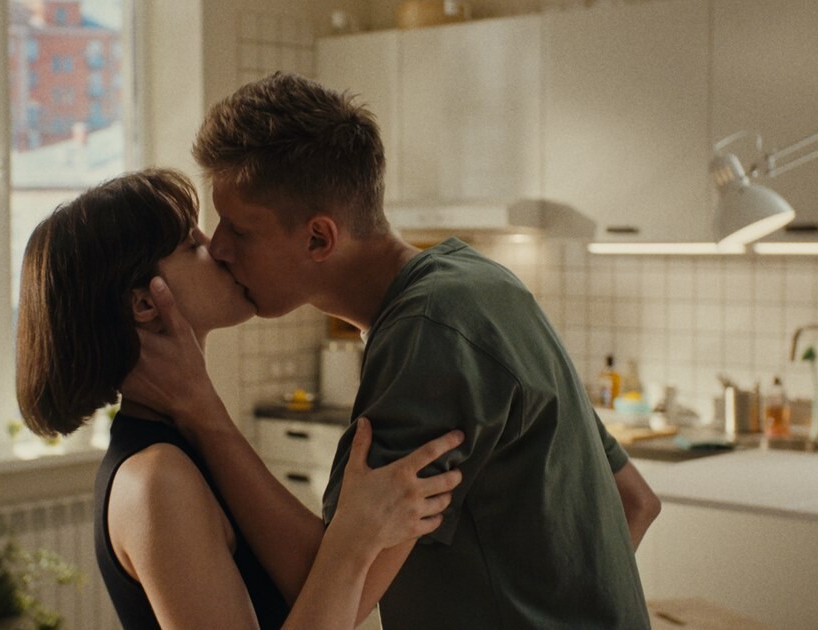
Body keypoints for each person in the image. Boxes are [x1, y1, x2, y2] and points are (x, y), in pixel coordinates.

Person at [121, 73, 663, 628]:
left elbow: (329, 587)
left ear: (319, 238)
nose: (218, 248)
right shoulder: (483, 285)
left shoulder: (431, 331)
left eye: (239, 230)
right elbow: (637, 500)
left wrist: (203, 411)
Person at [14, 168, 465, 629]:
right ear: (145, 303)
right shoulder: (158, 480)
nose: (218, 249)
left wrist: (358, 538)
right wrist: (355, 539)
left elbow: (313, 589)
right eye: (191, 245)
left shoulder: (187, 442)